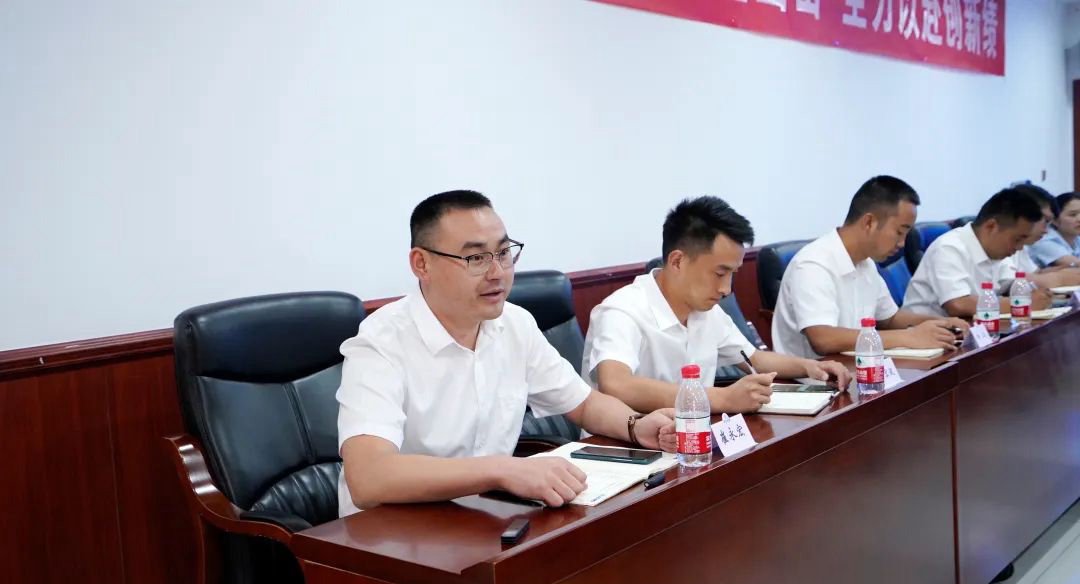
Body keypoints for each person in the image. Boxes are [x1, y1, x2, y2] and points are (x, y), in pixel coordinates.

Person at [336, 190, 676, 516]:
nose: (497, 272)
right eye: (476, 258)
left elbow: (583, 404)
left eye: (503, 253)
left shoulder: (514, 323)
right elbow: (369, 477)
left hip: (480, 515)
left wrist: (636, 426)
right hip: (389, 533)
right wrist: (501, 470)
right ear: (421, 264)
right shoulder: (381, 343)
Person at [581, 196, 852, 416]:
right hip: (626, 447)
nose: (727, 289)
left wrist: (810, 367)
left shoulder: (706, 312)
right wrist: (721, 398)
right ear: (677, 261)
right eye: (720, 273)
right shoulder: (622, 311)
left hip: (692, 437)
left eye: (733, 274)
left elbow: (754, 359)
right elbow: (616, 383)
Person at [772, 176, 969, 360]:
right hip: (811, 380)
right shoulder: (813, 265)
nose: (902, 243)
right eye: (899, 232)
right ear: (869, 222)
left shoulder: (865, 263)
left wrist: (940, 323)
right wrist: (909, 337)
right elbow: (823, 339)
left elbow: (890, 318)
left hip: (857, 368)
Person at [903, 187, 1052, 317]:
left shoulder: (996, 251)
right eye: (1017, 239)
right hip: (924, 333)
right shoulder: (949, 247)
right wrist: (1022, 303)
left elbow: (1009, 284)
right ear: (991, 226)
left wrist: (1034, 293)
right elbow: (958, 304)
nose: (1019, 247)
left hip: (970, 329)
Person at [1004, 185, 1080, 288]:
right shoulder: (1043, 240)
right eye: (1073, 215)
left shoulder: (1020, 246)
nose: (1046, 230)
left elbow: (1036, 273)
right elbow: (1011, 280)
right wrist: (1061, 278)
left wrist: (1063, 272)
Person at [1028, 191, 1080, 269]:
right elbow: (1076, 265)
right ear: (1054, 220)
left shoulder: (1076, 238)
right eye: (1073, 215)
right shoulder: (1043, 240)